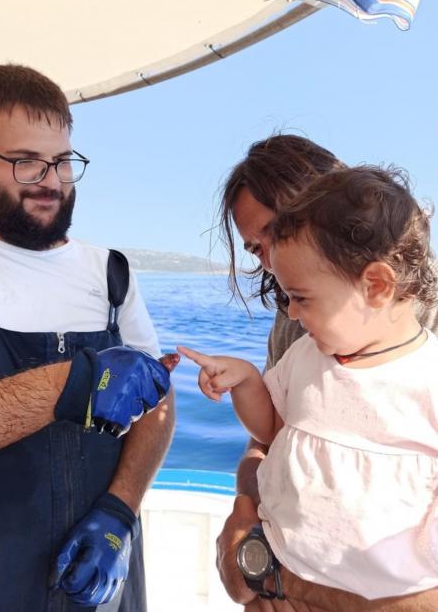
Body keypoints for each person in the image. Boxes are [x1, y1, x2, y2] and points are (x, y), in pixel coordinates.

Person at [0, 64, 176, 612]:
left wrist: (120, 512)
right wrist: (66, 387)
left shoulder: (111, 274)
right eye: (25, 162)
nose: (51, 181)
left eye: (63, 162)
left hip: (101, 588)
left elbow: (158, 405)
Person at [181, 165, 438, 607]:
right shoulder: (307, 355)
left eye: (301, 297)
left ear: (376, 285)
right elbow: (272, 427)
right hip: (280, 583)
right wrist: (245, 379)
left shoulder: (427, 382)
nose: (292, 314)